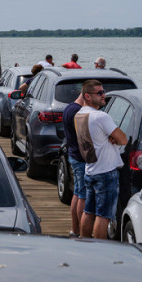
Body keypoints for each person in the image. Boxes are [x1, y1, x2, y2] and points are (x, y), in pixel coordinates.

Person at [75, 80, 127, 239]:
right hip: (105, 172)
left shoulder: (79, 115)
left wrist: (111, 137)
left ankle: (84, 242)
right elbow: (123, 139)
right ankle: (100, 250)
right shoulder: (101, 116)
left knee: (88, 212)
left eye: (103, 92)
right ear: (87, 96)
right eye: (99, 93)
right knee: (103, 216)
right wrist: (114, 137)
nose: (104, 95)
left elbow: (98, 137)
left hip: (90, 170)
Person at [62, 87, 87, 237]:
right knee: (82, 195)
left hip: (73, 155)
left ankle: (75, 230)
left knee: (77, 193)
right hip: (80, 158)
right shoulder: (79, 112)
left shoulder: (69, 108)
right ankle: (82, 233)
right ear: (86, 95)